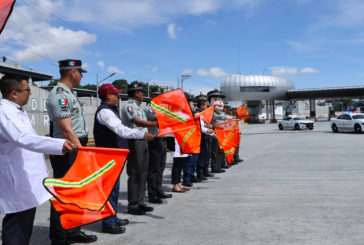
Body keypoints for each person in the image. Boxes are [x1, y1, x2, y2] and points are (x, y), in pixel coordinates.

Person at [0, 75, 75, 245]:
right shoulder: (4, 111)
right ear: (14, 93)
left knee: (24, 223)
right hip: (16, 177)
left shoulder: (17, 110)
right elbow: (23, 138)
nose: (30, 93)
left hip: (25, 176)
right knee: (17, 225)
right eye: (27, 90)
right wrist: (59, 144)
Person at [46, 59, 97, 245]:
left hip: (76, 144)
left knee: (78, 191)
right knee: (64, 192)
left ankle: (74, 230)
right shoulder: (59, 94)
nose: (82, 76)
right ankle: (59, 238)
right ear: (72, 72)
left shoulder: (70, 94)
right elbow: (67, 129)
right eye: (80, 72)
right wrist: (83, 151)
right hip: (68, 147)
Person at [94, 83, 155, 233]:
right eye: (115, 94)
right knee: (109, 189)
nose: (118, 96)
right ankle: (108, 223)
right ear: (108, 96)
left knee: (115, 188)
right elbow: (121, 130)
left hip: (116, 154)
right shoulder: (105, 112)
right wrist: (141, 134)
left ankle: (113, 217)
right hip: (108, 155)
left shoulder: (111, 110)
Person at [121, 83, 158, 215]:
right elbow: (138, 122)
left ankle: (140, 202)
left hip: (143, 141)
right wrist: (159, 123)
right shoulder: (129, 106)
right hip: (134, 141)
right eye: (141, 92)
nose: (143, 94)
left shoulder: (139, 107)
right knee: (135, 173)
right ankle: (133, 205)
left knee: (143, 173)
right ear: (136, 93)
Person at [144, 88, 172, 204]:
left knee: (161, 167)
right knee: (153, 168)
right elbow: (161, 118)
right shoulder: (149, 108)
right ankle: (152, 194)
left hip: (164, 138)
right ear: (151, 96)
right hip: (154, 139)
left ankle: (159, 190)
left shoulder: (162, 108)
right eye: (156, 95)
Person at [207, 89, 232, 174]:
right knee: (215, 151)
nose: (220, 102)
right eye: (216, 100)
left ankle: (219, 165)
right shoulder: (209, 113)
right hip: (214, 133)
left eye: (221, 100)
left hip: (222, 132)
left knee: (221, 150)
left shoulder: (221, 113)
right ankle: (215, 167)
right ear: (209, 102)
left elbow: (227, 118)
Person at [182, 99, 202, 187]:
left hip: (195, 140)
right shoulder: (183, 115)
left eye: (193, 105)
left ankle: (192, 176)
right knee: (188, 161)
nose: (192, 106)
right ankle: (186, 179)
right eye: (190, 105)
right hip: (187, 140)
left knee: (194, 161)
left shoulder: (194, 115)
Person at [195, 100, 215, 180]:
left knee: (207, 155)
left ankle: (205, 171)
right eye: (206, 105)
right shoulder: (197, 114)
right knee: (202, 156)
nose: (207, 107)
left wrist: (208, 126)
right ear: (202, 106)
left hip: (206, 137)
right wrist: (207, 130)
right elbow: (199, 126)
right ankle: (200, 173)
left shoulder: (202, 113)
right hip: (202, 137)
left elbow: (203, 124)